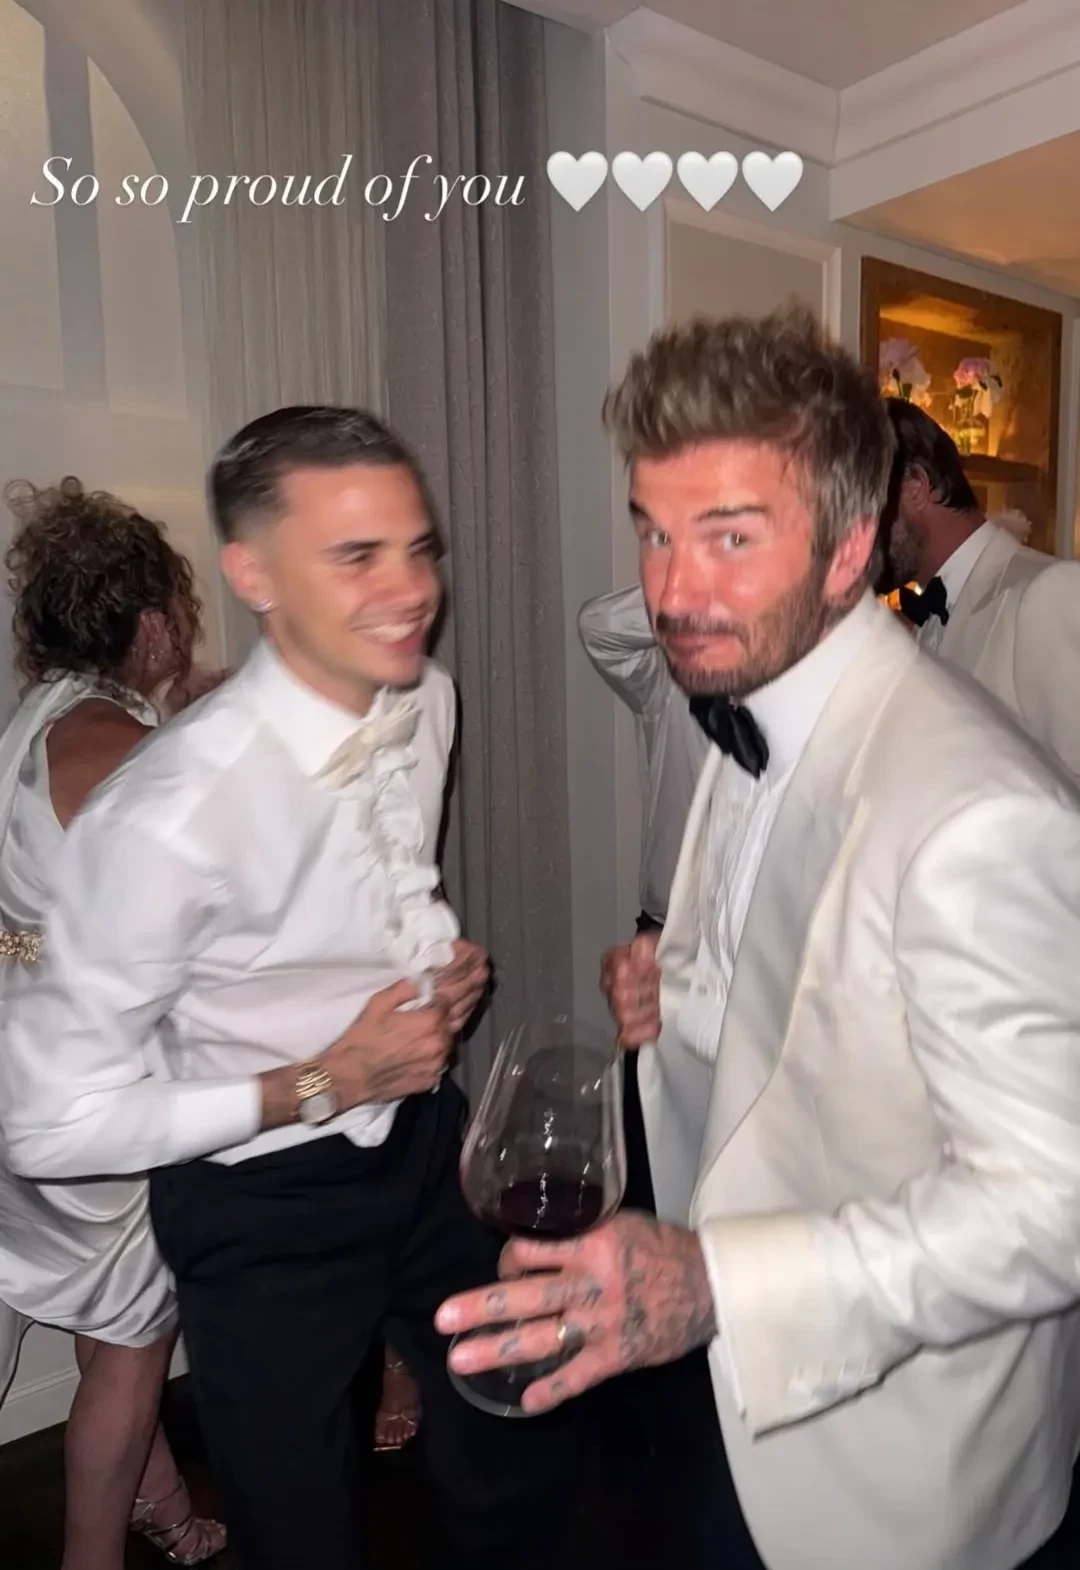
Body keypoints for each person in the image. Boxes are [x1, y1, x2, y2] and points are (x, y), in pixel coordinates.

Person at [437, 307, 1080, 1570]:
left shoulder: (978, 813)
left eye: (731, 536)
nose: (676, 592)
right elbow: (813, 996)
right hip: (716, 1390)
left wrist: (717, 1285)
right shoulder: (752, 702)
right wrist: (679, 995)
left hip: (888, 1468)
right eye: (655, 531)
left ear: (849, 548)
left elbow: (1052, 1206)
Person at [0, 408, 574, 1570]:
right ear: (252, 573)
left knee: (519, 1439)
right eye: (356, 555)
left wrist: (432, 964)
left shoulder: (426, 698)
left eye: (418, 547)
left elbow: (397, 878)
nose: (409, 590)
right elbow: (49, 1121)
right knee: (301, 1530)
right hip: (259, 1209)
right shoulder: (157, 811)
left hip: (426, 1149)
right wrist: (326, 1079)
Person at [0, 477, 226, 1569]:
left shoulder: (37, 721)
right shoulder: (130, 753)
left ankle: (164, 1509)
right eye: (178, 605)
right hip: (94, 1099)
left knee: (108, 1315)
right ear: (149, 623)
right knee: (134, 1341)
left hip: (21, 1062)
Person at [883, 397, 1080, 780]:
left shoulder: (1047, 595)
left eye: (865, 507)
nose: (853, 537)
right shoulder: (925, 625)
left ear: (916, 487)